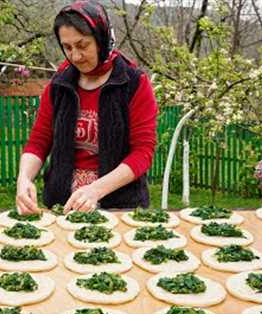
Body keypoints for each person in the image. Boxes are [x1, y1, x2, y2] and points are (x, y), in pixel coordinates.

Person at [16, 0, 157, 215]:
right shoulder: (59, 85)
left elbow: (142, 153)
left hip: (119, 206)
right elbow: (39, 141)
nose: (75, 56)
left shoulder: (133, 83)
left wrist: (95, 190)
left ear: (102, 39)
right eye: (67, 47)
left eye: (82, 45)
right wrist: (24, 178)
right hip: (61, 204)